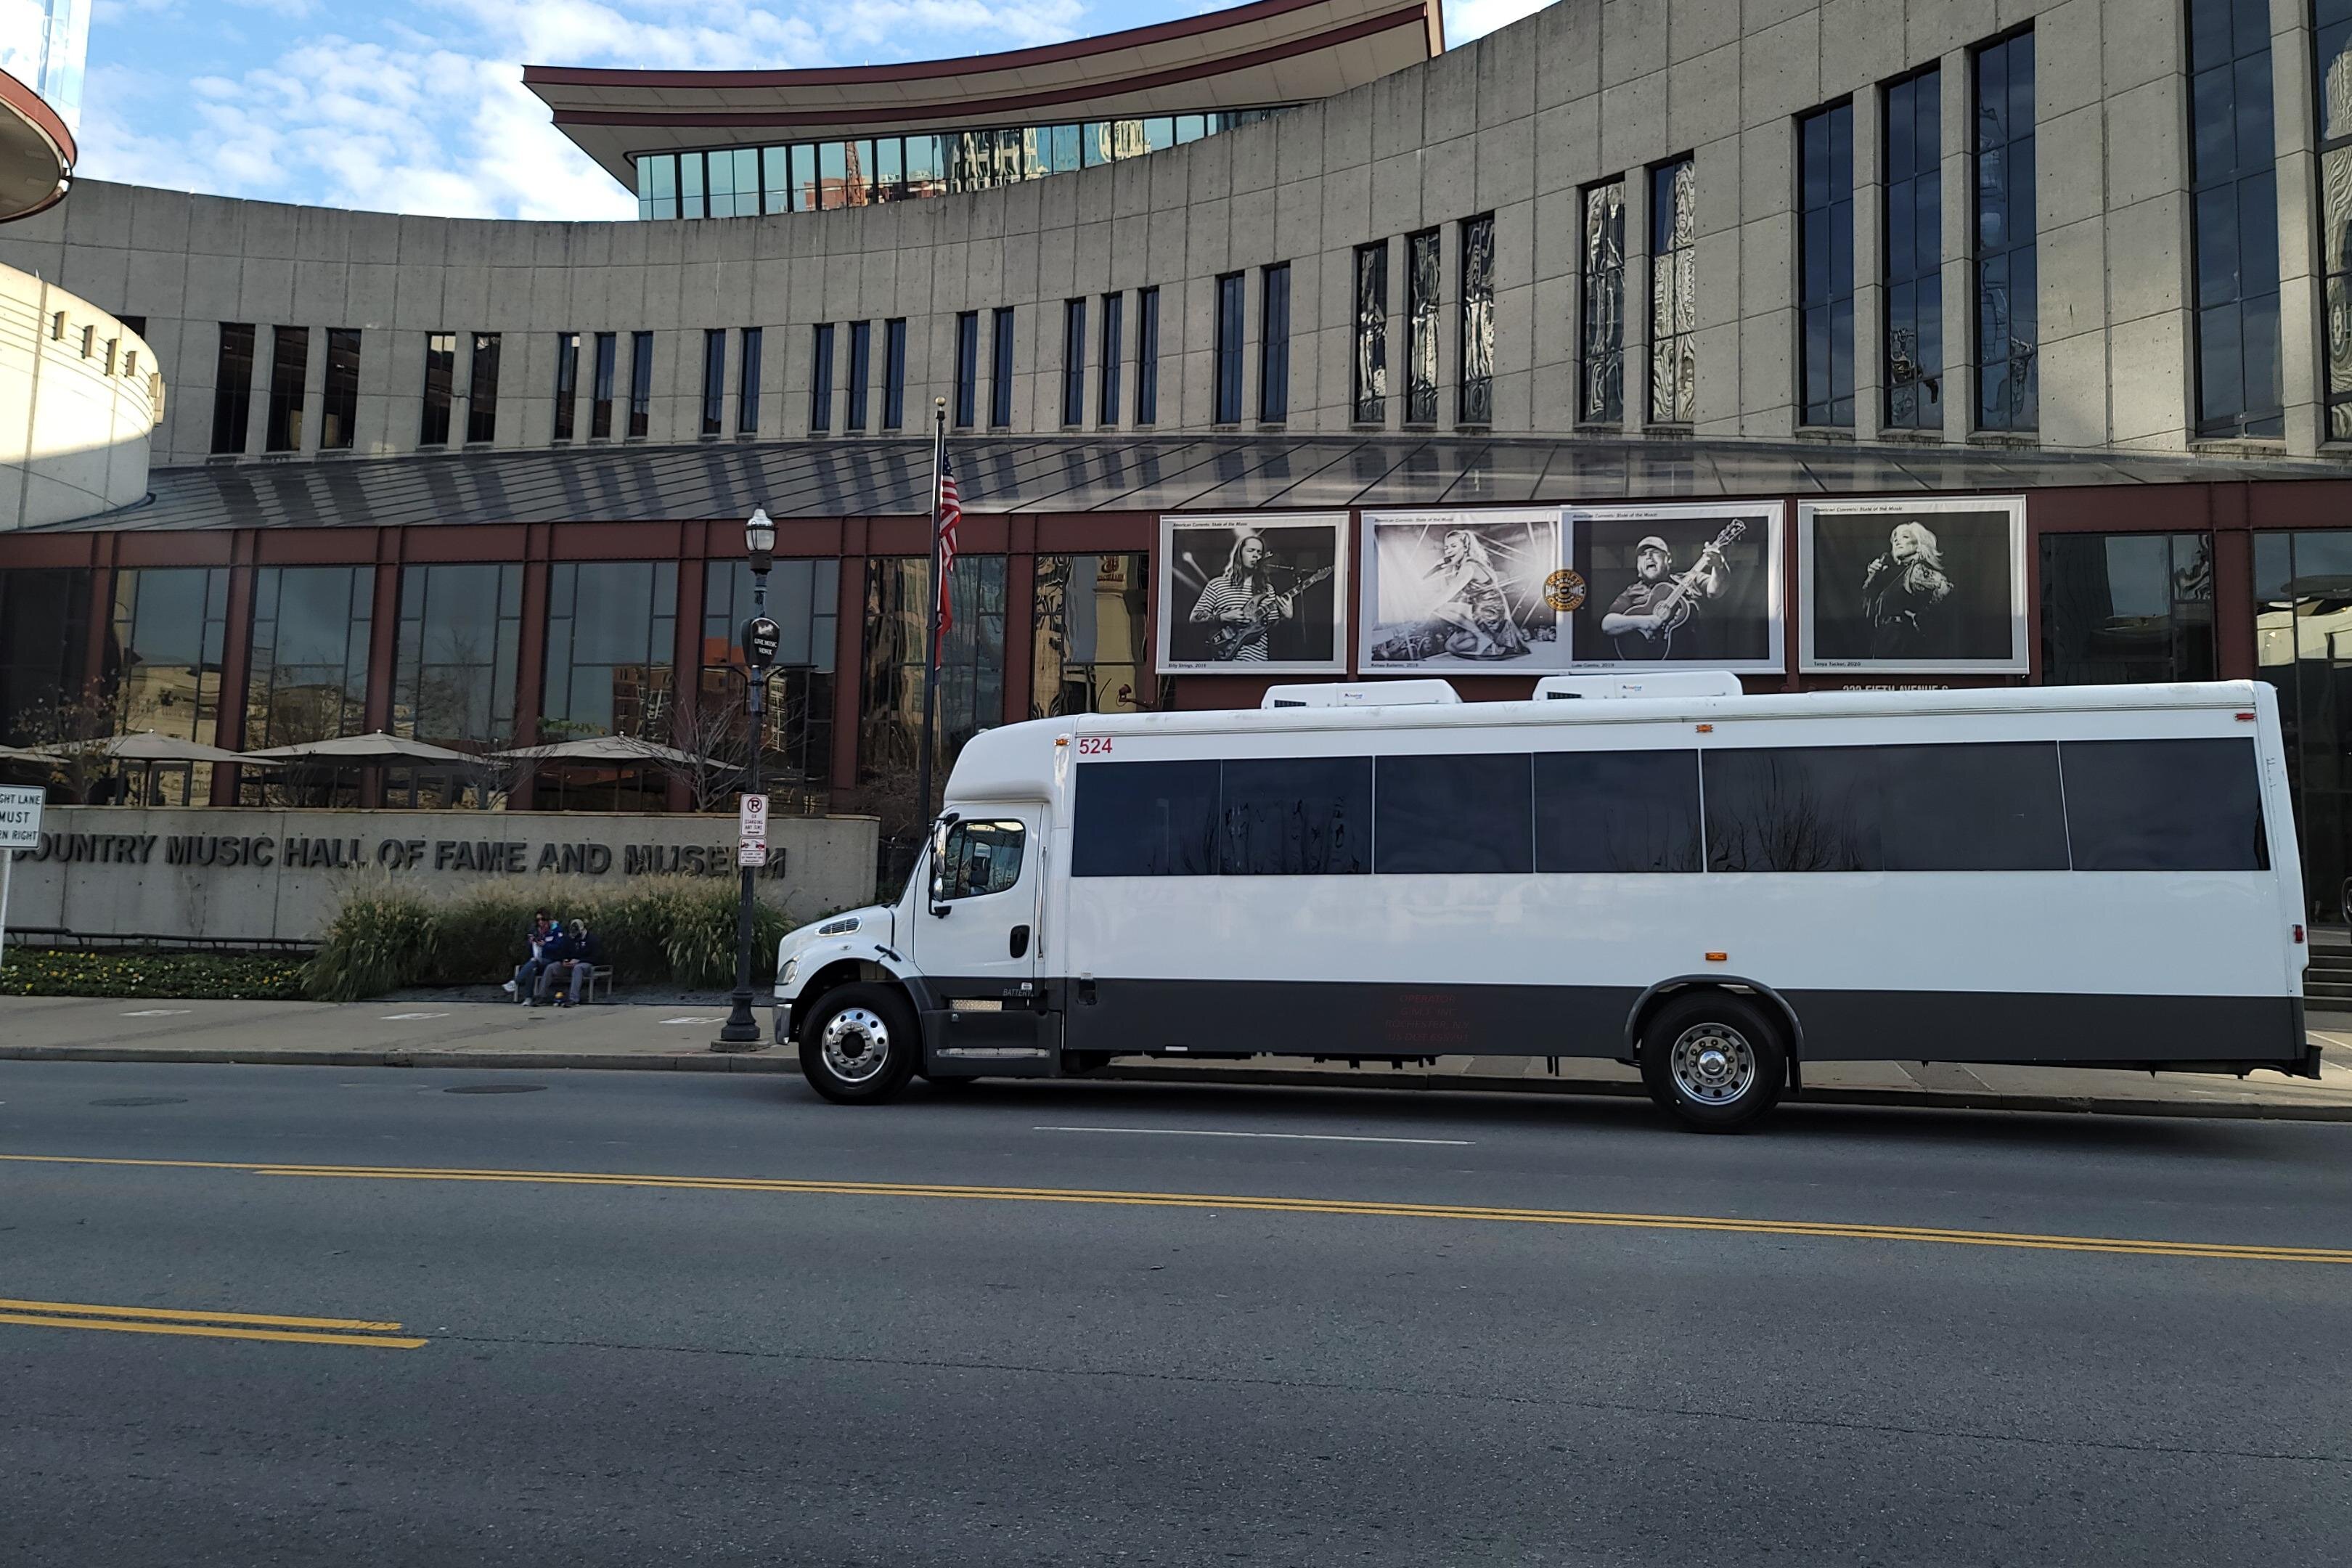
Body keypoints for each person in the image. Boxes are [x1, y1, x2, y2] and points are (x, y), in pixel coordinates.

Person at [1601, 534, 1726, 660]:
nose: (1649, 557)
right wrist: (1644, 622)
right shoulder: (1632, 592)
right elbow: (1608, 624)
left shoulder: (1691, 578)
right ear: (1638, 566)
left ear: (1668, 559)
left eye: (1655, 552)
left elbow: (1715, 591)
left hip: (1691, 662)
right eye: (1643, 554)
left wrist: (1719, 566)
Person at [1426, 528, 1528, 660]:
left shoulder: (1470, 566)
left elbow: (1451, 590)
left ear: (1466, 547)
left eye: (1453, 546)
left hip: (1489, 613)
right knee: (1451, 646)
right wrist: (1441, 571)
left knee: (1439, 608)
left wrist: (1426, 609)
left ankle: (1484, 638)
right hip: (1483, 610)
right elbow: (1447, 592)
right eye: (1446, 548)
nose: (1449, 551)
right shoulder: (1467, 566)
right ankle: (1484, 639)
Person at [1188, 535, 1289, 662]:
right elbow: (1194, 617)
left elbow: (1270, 627)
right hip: (1224, 662)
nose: (1256, 556)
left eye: (1259, 553)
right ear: (1239, 555)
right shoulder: (1217, 585)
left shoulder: (1267, 590)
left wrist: (1285, 616)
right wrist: (1223, 617)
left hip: (1256, 661)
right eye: (1251, 551)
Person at [1861, 520, 1954, 658]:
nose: (1897, 541)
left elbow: (1947, 590)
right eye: (1895, 539)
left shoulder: (1917, 570)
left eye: (1905, 537)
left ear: (1919, 545)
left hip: (1900, 648)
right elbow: (1870, 609)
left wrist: (1919, 620)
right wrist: (1873, 577)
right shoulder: (1900, 574)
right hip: (1886, 644)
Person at [536, 918, 603, 1008]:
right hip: (570, 965)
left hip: (586, 964)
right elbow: (562, 952)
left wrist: (579, 961)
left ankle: (574, 999)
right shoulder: (569, 939)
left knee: (578, 968)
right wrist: (564, 960)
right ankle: (541, 996)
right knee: (551, 967)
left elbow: (596, 957)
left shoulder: (592, 939)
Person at [504, 910, 555, 1001]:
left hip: (550, 959)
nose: (540, 922)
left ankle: (515, 982)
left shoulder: (554, 930)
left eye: (543, 919)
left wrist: (545, 945)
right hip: (537, 959)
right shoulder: (535, 930)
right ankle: (528, 997)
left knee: (533, 962)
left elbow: (559, 947)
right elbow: (527, 949)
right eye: (538, 920)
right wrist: (530, 942)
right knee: (532, 968)